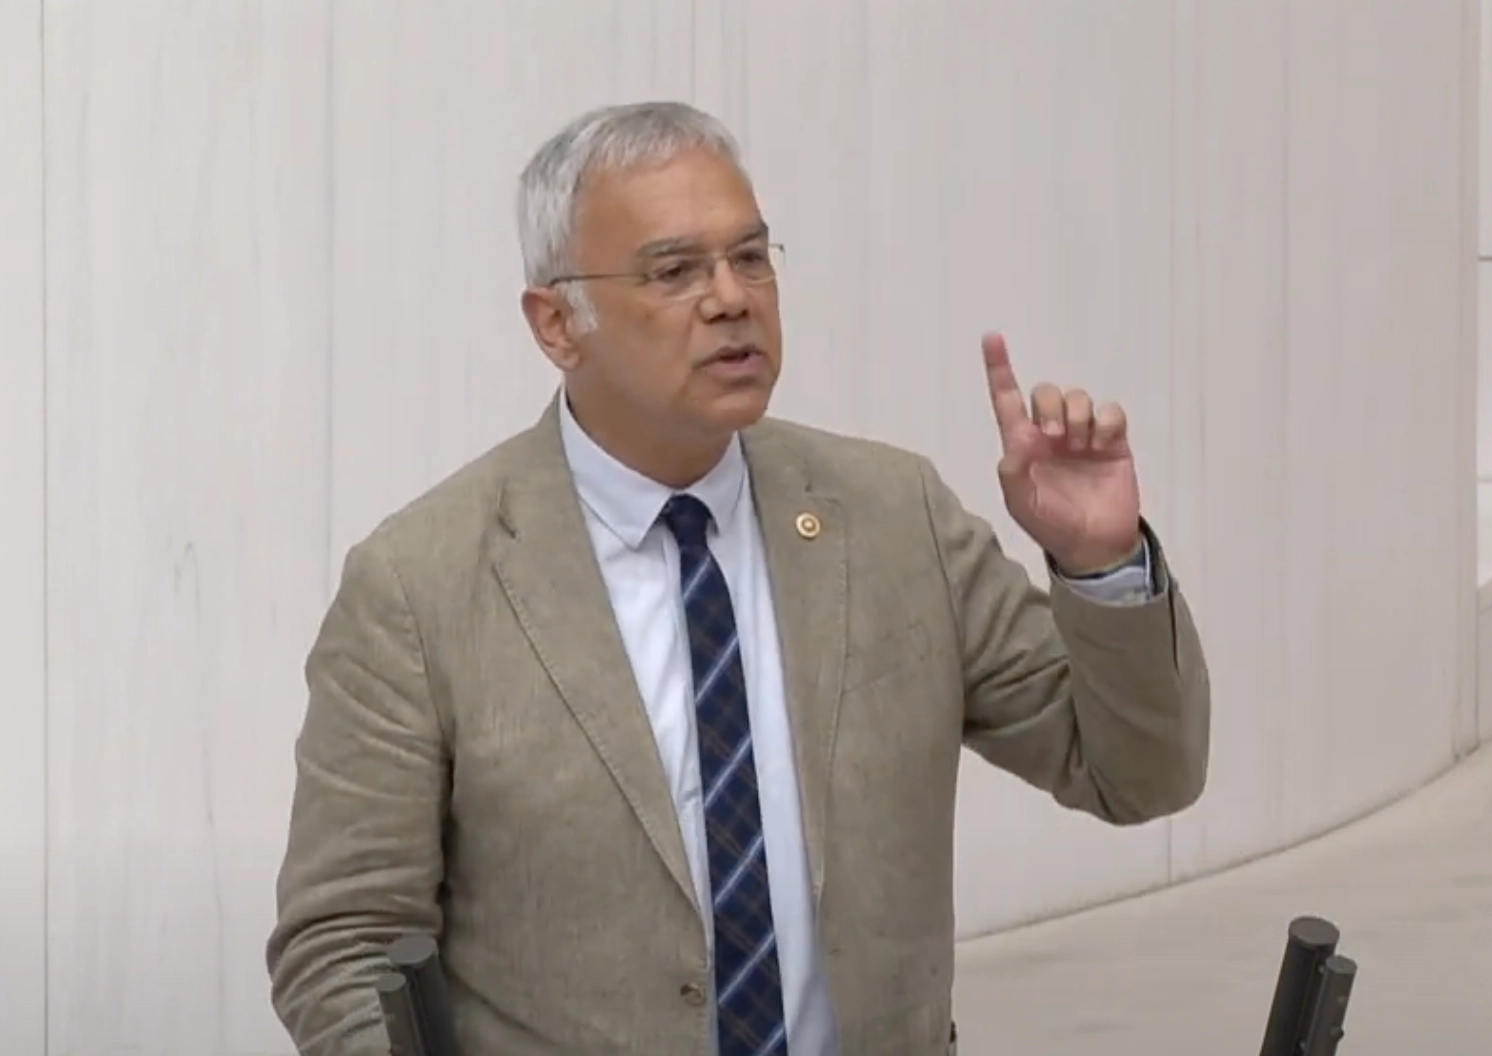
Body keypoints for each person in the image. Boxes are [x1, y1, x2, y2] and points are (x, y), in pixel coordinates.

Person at [265, 100, 1212, 1056]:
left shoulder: (895, 519)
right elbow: (345, 946)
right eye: (675, 271)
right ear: (557, 324)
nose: (732, 298)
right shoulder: (420, 587)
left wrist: (1099, 563)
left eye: (751, 257)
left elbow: (1140, 775)